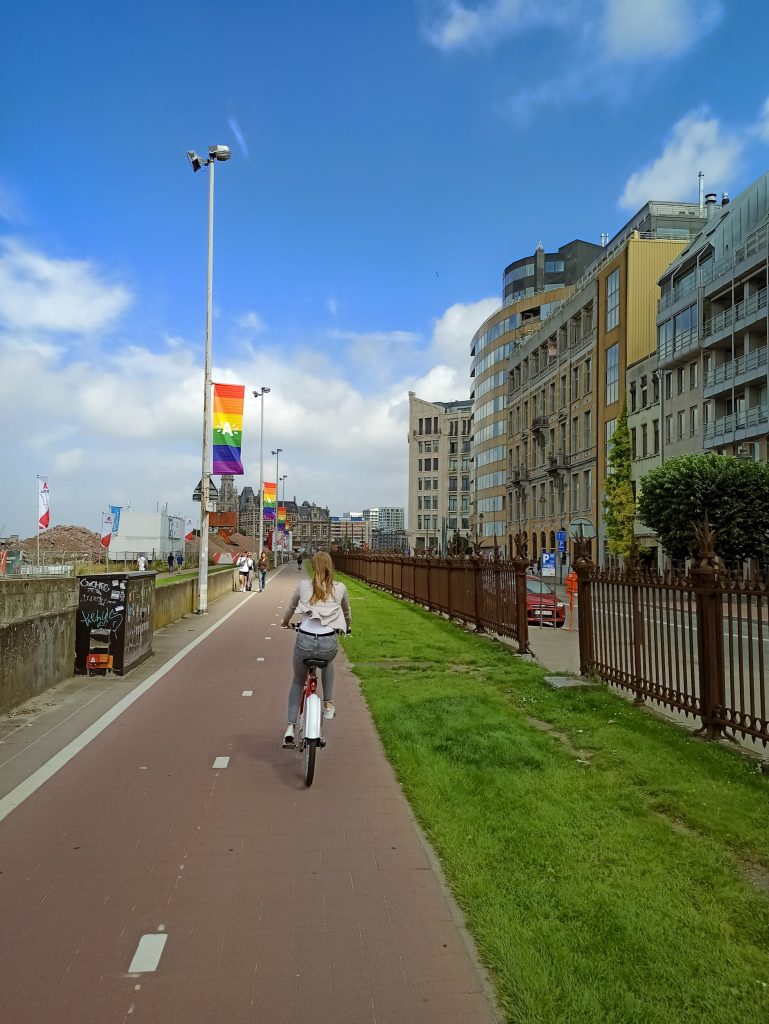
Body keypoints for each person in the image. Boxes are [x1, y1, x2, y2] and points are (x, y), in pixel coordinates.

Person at [280, 551, 351, 747]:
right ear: (331, 567)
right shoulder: (340, 588)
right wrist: (348, 625)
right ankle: (328, 703)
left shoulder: (304, 586)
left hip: (304, 641)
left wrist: (285, 623)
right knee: (328, 660)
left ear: (313, 566)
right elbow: (346, 612)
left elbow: (291, 607)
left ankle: (290, 727)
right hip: (328, 642)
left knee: (297, 681)